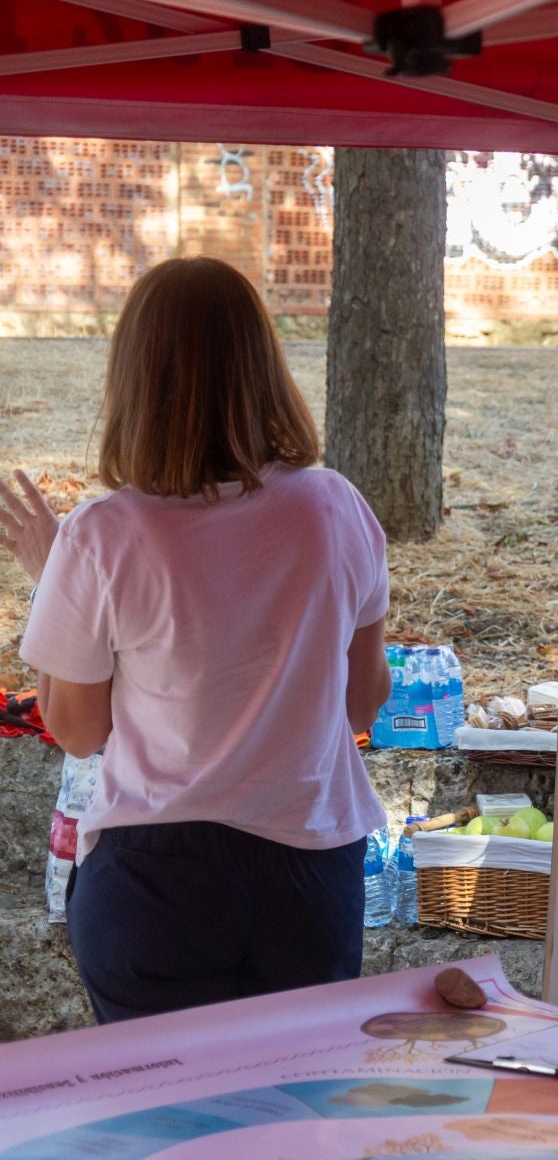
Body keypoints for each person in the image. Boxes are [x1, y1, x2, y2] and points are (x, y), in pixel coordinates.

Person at [0, 257, 392, 1024]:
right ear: (263, 368)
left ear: (135, 379)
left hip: (156, 877)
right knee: (295, 1127)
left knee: (167, 1132)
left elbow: (78, 730)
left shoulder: (103, 534)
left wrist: (56, 581)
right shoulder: (334, 506)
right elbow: (362, 699)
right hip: (309, 867)